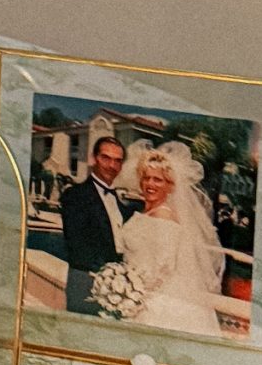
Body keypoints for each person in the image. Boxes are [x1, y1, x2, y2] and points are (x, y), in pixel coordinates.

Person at [119, 142, 226, 336]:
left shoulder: (164, 215)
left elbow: (165, 266)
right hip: (136, 290)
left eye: (158, 180)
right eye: (146, 178)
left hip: (153, 300)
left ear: (170, 186)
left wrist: (132, 293)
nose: (150, 184)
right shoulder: (146, 211)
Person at [57, 134, 135, 313]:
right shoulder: (75, 195)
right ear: (94, 158)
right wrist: (111, 276)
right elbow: (76, 246)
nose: (112, 165)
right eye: (106, 158)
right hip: (85, 283)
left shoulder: (121, 203)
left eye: (117, 161)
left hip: (116, 290)